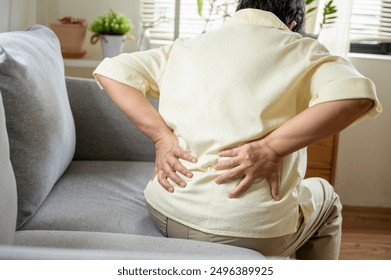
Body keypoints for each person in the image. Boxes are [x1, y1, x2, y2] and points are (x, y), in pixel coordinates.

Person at [93, 0, 382, 259]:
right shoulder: (303, 49)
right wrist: (270, 148)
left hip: (165, 210)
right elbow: (357, 96)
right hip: (251, 231)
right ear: (292, 24)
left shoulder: (187, 46)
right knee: (327, 199)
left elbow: (112, 71)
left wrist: (161, 136)